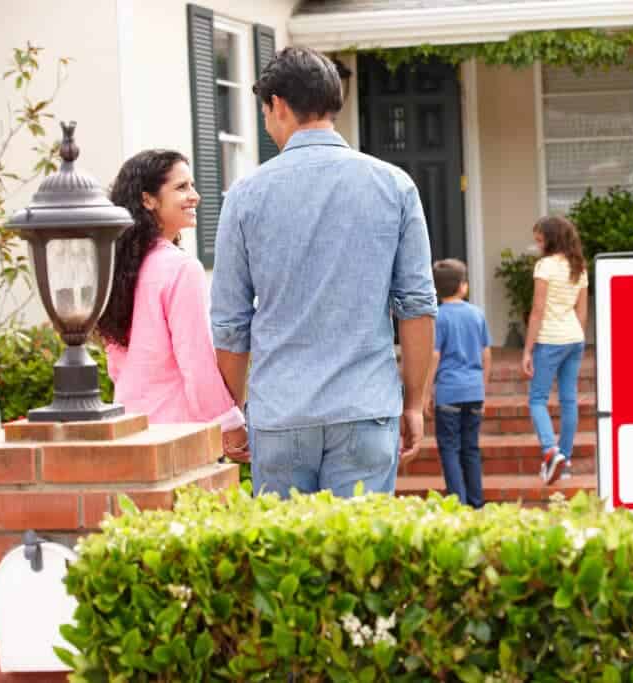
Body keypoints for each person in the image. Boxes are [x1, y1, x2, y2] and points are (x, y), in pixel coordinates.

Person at [210, 47, 436, 499]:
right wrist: (414, 403)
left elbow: (231, 325)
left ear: (277, 105)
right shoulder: (395, 185)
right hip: (366, 406)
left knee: (285, 563)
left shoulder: (245, 196)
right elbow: (416, 308)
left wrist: (232, 413)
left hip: (280, 413)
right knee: (359, 564)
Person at [98, 150, 248, 461]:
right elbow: (196, 361)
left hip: (130, 428)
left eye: (192, 185)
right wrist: (229, 424)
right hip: (179, 434)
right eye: (181, 187)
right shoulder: (180, 268)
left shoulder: (116, 269)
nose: (195, 196)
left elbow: (116, 364)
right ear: (148, 200)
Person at [522, 216, 589, 485]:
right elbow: (582, 312)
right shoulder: (579, 266)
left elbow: (537, 311)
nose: (537, 245)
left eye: (540, 240)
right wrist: (578, 338)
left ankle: (551, 452)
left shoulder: (545, 266)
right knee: (568, 400)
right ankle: (566, 458)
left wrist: (528, 349)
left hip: (550, 339)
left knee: (537, 399)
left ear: (551, 239)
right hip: (574, 338)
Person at [424, 259, 491, 508]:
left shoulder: (438, 318)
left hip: (449, 393)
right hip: (474, 390)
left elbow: (434, 355)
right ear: (463, 286)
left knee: (450, 449)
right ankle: (476, 503)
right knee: (471, 449)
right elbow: (486, 354)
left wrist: (426, 391)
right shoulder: (477, 314)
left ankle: (458, 503)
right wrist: (482, 388)